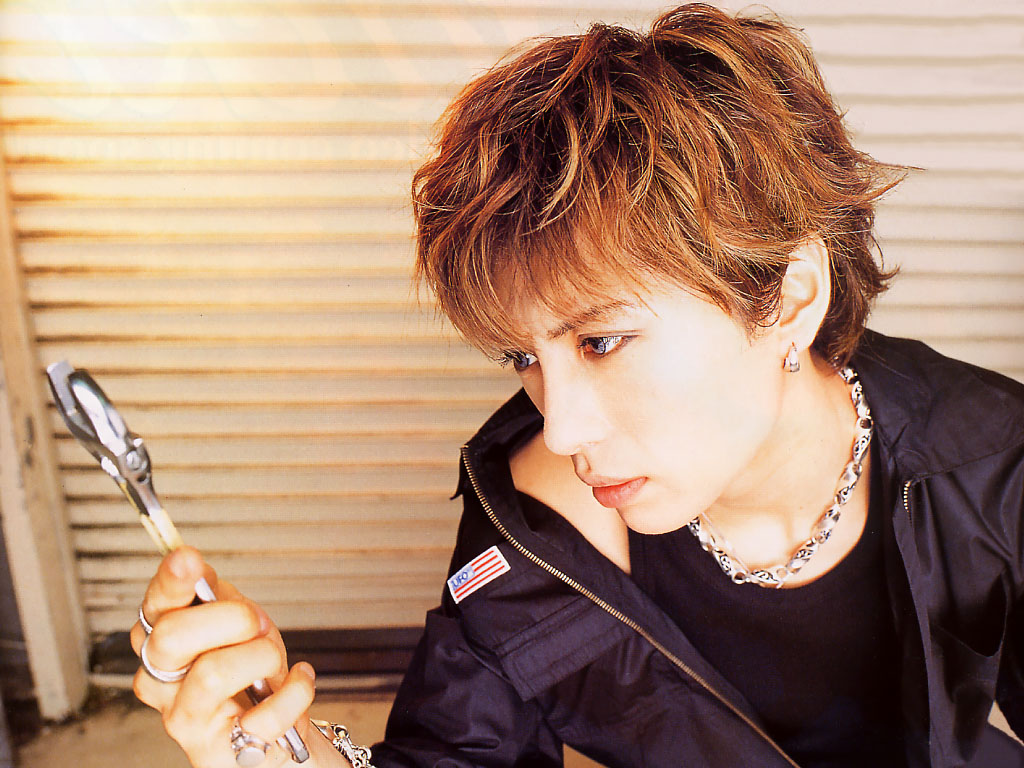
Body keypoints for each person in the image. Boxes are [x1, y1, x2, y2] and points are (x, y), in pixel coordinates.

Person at [130, 4, 1024, 767]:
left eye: (601, 340)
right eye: (522, 357)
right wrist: (273, 746)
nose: (558, 430)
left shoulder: (994, 463)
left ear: (789, 297)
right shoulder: (533, 528)